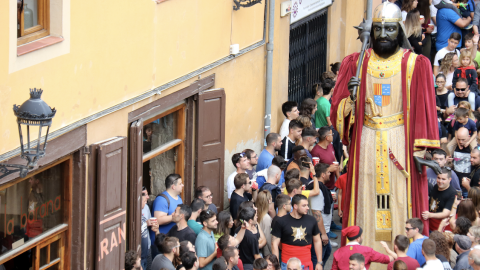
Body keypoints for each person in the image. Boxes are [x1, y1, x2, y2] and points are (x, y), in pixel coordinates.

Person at [271, 194, 323, 270]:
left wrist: (319, 262)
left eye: (307, 205)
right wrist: (277, 266)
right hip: (287, 264)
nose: (307, 208)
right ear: (295, 206)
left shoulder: (312, 220)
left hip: (306, 264)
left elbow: (317, 241)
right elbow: (274, 243)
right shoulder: (281, 221)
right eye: (304, 206)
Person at [310, 163, 337, 267]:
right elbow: (316, 213)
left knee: (327, 252)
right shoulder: (318, 190)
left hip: (323, 231)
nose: (330, 174)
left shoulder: (320, 188)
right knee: (317, 259)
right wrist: (323, 234)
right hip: (320, 232)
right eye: (328, 172)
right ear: (323, 175)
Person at [151, 174, 184, 257]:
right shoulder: (162, 200)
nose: (182, 185)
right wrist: (173, 218)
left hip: (172, 242)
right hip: (162, 243)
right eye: (180, 184)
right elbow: (157, 220)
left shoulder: (179, 198)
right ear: (173, 186)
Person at [310, 127, 340, 191]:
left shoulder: (330, 145)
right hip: (322, 188)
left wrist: (338, 179)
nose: (333, 136)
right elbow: (314, 171)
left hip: (332, 185)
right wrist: (329, 169)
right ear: (327, 138)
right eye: (332, 135)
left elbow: (335, 160)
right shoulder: (315, 152)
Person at [454, 128, 474, 197]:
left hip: (467, 186)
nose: (460, 142)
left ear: (468, 137)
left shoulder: (473, 148)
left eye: (463, 139)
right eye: (459, 139)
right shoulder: (454, 146)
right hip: (456, 184)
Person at [256, 190, 273, 256]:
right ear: (269, 201)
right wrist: (271, 252)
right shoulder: (266, 218)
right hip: (265, 253)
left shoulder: (256, 214)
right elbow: (268, 237)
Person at [142, 187, 154, 270]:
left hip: (148, 246)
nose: (148, 197)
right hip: (139, 250)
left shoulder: (146, 207)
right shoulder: (132, 209)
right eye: (145, 195)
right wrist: (145, 223)